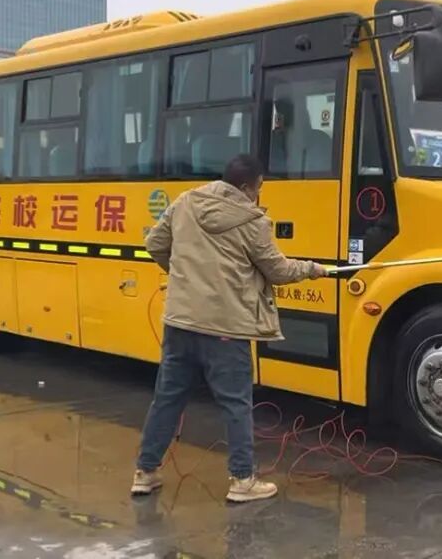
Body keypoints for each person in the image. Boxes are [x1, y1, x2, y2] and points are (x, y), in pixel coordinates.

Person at [132, 154, 327, 502]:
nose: (259, 195)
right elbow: (278, 270)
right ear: (246, 187)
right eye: (258, 188)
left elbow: (155, 244)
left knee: (167, 399)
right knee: (236, 404)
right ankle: (242, 479)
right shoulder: (252, 221)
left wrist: (183, 277)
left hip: (180, 321)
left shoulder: (185, 202)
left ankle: (145, 473)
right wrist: (312, 269)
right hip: (225, 327)